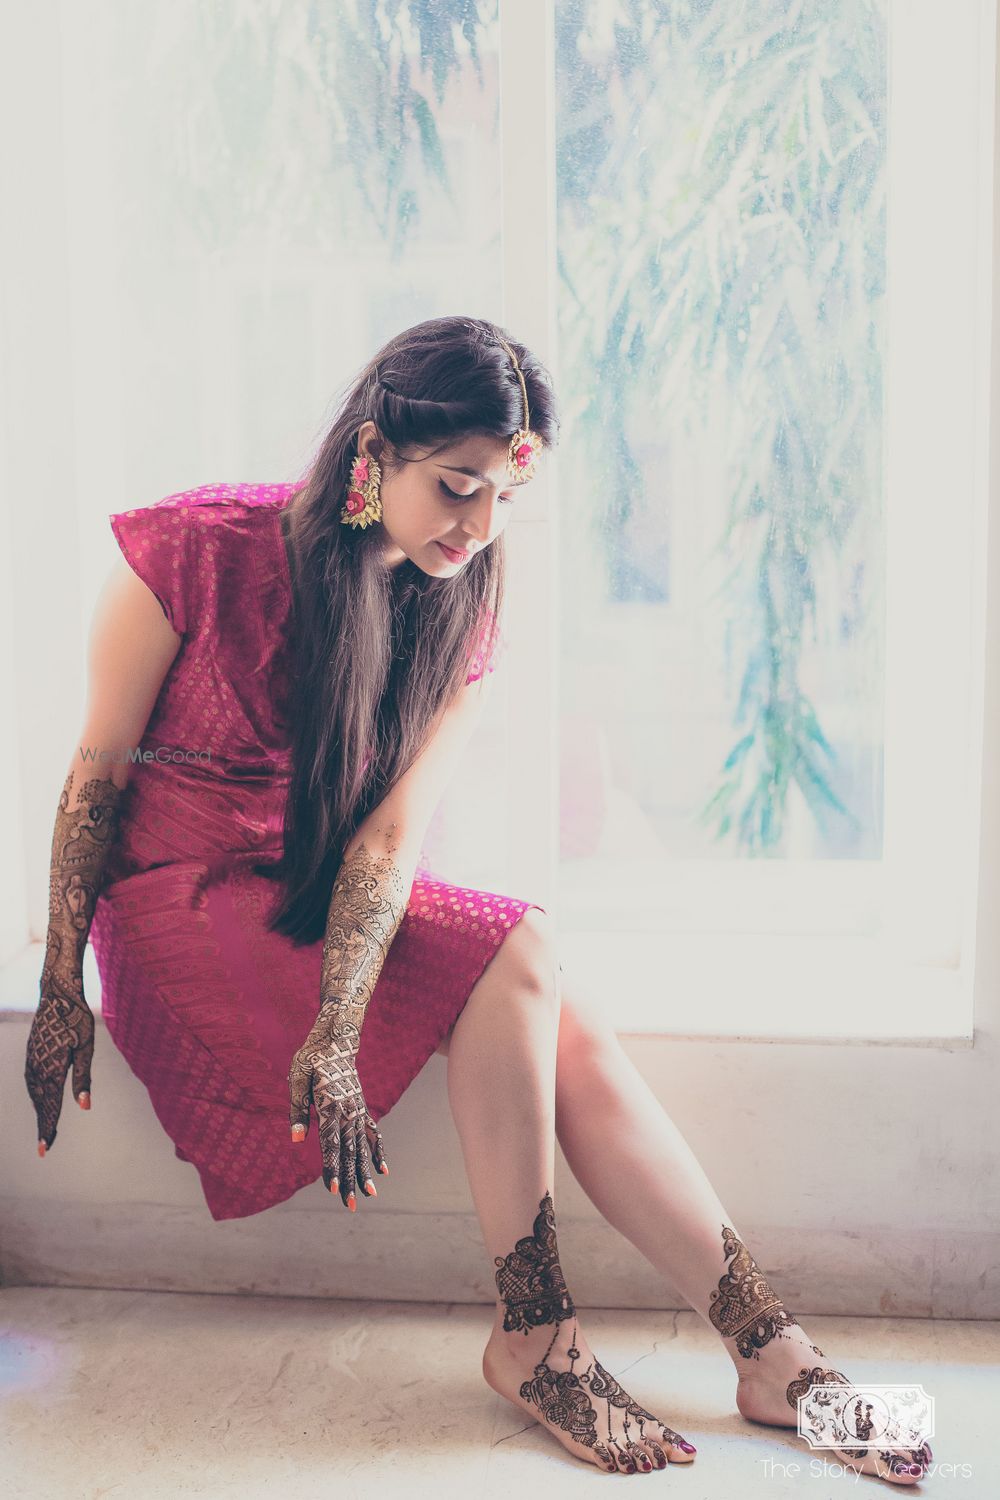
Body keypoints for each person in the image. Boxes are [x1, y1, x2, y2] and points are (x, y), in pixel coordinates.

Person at [23, 315, 931, 1482]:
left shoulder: (460, 597)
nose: (479, 525)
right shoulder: (198, 548)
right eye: (455, 487)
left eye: (504, 495)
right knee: (523, 954)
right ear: (370, 455)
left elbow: (393, 833)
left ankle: (769, 1349)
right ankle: (540, 1336)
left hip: (322, 897)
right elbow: (96, 775)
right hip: (176, 911)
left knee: (544, 988)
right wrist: (58, 988)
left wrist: (342, 1020)